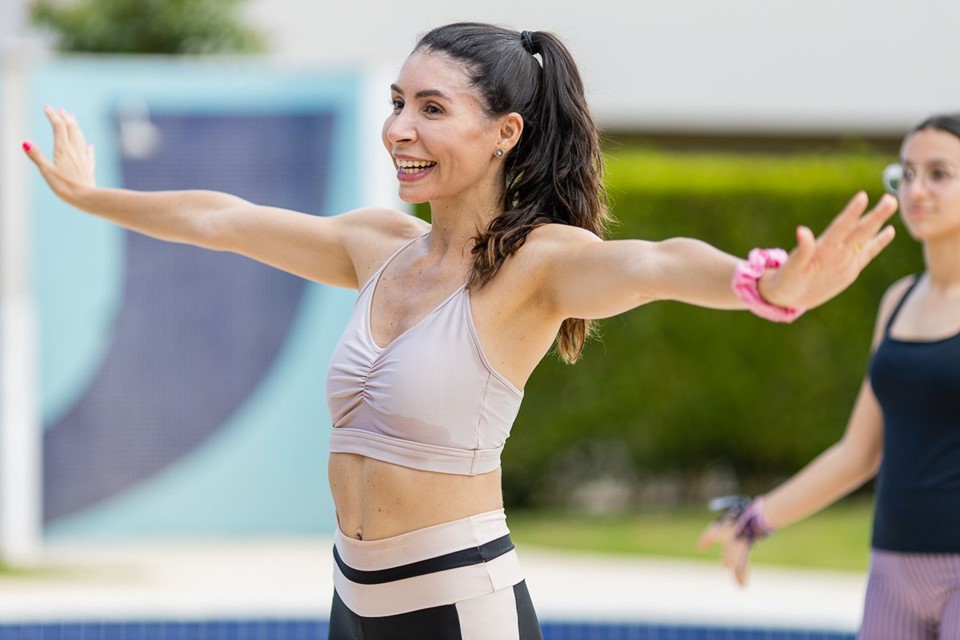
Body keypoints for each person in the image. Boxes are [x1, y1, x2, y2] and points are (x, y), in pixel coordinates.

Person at [23, 21, 897, 640]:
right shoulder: (378, 247)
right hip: (353, 602)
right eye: (400, 101)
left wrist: (767, 285)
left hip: (459, 610)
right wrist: (93, 198)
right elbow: (223, 218)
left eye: (432, 109)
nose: (399, 127)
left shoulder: (540, 266)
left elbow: (659, 263)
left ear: (504, 133)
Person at [698, 113, 960, 640]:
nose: (917, 189)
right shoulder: (897, 302)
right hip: (892, 567)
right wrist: (756, 518)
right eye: (906, 173)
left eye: (939, 173)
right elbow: (858, 454)